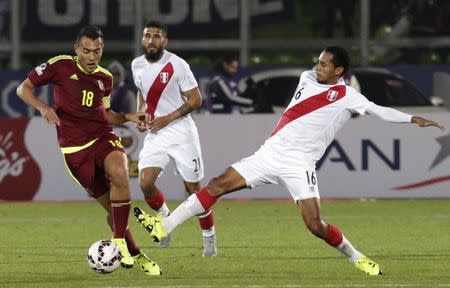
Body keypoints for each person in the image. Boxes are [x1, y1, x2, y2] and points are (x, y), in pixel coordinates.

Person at [133, 46, 445, 275]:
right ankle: (165, 226)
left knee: (314, 225)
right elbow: (313, 78)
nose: (318, 65)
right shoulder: (307, 78)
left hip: (300, 165)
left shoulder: (349, 96)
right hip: (269, 154)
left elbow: (378, 110)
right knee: (217, 184)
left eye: (325, 63)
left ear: (339, 71)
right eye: (319, 61)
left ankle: (355, 256)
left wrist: (412, 118)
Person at [16, 25, 161, 276]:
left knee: (120, 171)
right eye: (87, 51)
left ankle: (118, 243)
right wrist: (42, 107)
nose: (92, 56)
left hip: (101, 137)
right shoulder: (60, 66)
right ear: (76, 50)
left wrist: (128, 115)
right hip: (74, 150)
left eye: (97, 51)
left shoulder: (105, 78)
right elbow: (23, 88)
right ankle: (137, 253)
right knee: (112, 212)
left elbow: (104, 115)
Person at [131, 21, 217, 257]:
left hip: (181, 132)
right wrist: (141, 113)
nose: (151, 40)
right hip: (156, 133)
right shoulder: (136, 65)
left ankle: (209, 237)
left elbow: (195, 99)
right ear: (142, 39)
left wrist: (167, 118)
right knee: (145, 183)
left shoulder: (178, 65)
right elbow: (142, 91)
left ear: (164, 41)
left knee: (193, 190)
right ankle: (165, 220)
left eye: (156, 36)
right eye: (147, 35)